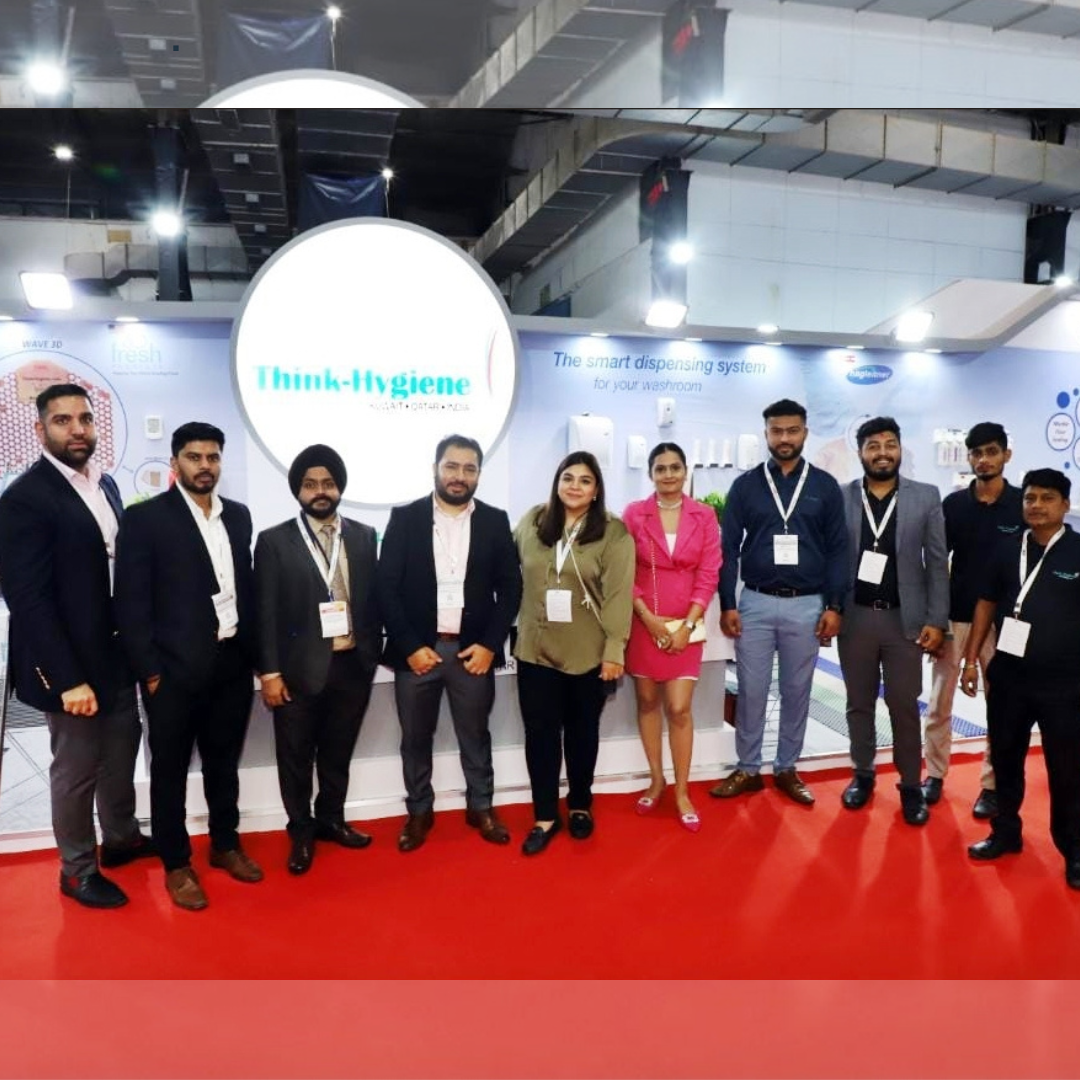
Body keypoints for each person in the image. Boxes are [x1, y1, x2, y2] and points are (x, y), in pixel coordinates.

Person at [0, 384, 151, 909]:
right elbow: (28, 599)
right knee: (77, 769)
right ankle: (77, 870)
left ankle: (122, 838)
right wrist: (67, 679)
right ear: (40, 429)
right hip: (69, 664)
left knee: (121, 753)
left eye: (84, 419)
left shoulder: (105, 484)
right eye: (62, 420)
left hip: (116, 653)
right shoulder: (23, 499)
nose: (77, 429)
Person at [114, 421, 261, 911]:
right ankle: (177, 864)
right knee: (170, 771)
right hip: (172, 673)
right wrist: (151, 672)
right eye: (195, 457)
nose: (205, 466)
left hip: (231, 663)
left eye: (212, 457)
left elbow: (244, 588)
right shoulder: (146, 519)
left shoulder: (238, 516)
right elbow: (130, 602)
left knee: (224, 763)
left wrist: (254, 656)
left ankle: (225, 844)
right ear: (175, 462)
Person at [376, 435, 522, 853]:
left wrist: (490, 645)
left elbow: (510, 588)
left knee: (475, 734)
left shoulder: (494, 520)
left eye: (469, 468)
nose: (460, 476)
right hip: (418, 652)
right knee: (415, 738)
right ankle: (419, 811)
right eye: (452, 466)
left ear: (478, 474)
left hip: (472, 653)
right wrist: (409, 646)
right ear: (436, 469)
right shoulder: (405, 518)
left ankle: (481, 806)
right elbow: (386, 588)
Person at [712, 399, 847, 806]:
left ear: (805, 432)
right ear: (766, 433)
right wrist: (728, 602)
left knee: (796, 691)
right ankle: (748, 768)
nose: (784, 438)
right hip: (754, 602)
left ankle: (787, 767)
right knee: (751, 690)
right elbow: (727, 548)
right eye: (776, 431)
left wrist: (835, 605)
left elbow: (838, 549)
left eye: (792, 430)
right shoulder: (746, 486)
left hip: (806, 605)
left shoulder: (825, 487)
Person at [254, 445, 381, 875]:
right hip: (297, 672)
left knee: (337, 752)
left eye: (328, 483)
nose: (320, 491)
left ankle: (331, 819)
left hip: (352, 665)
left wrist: (371, 655)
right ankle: (301, 832)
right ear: (298, 490)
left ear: (340, 487)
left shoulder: (363, 536)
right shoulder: (274, 541)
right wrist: (269, 672)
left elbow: (373, 600)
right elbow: (264, 612)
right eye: (310, 484)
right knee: (295, 758)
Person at [961, 468, 1080, 891]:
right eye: (1030, 498)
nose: (1036, 505)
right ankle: (1006, 832)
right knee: (1006, 760)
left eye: (1047, 498)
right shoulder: (1006, 549)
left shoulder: (1077, 551)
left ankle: (1074, 849)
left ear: (1065, 505)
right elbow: (985, 603)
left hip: (1065, 685)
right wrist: (970, 659)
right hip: (1009, 678)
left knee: (1067, 770)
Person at [513, 451, 634, 854]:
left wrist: (614, 649)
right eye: (568, 478)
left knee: (582, 734)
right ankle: (545, 815)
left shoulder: (613, 532)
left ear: (596, 489)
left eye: (585, 480)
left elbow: (618, 596)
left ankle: (580, 804)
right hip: (535, 650)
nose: (575, 486)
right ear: (557, 482)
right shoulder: (533, 521)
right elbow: (507, 569)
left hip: (589, 652)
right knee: (540, 736)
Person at [836, 417, 948, 826]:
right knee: (858, 703)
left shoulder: (925, 496)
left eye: (889, 444)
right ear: (861, 452)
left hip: (905, 621)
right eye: (873, 446)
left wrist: (937, 620)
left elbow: (937, 563)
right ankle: (863, 774)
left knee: (903, 705)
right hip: (855, 619)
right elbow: (832, 558)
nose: (882, 453)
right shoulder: (842, 496)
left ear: (900, 449)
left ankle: (910, 784)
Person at [923, 422, 1022, 819]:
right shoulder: (954, 506)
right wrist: (934, 618)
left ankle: (992, 785)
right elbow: (936, 563)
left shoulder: (1022, 504)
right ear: (969, 457)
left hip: (1005, 623)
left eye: (992, 452)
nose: (984, 460)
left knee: (1001, 706)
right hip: (957, 617)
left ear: (1006, 455)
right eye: (977, 453)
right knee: (939, 703)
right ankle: (934, 774)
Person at [622, 442, 721, 832]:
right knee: (647, 701)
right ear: (650, 474)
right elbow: (622, 571)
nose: (668, 475)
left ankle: (682, 791)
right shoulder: (634, 514)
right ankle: (656, 779)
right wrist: (649, 620)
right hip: (644, 622)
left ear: (685, 471)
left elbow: (709, 572)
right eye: (660, 468)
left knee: (679, 708)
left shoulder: (704, 515)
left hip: (687, 625)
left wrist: (688, 625)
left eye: (675, 467)